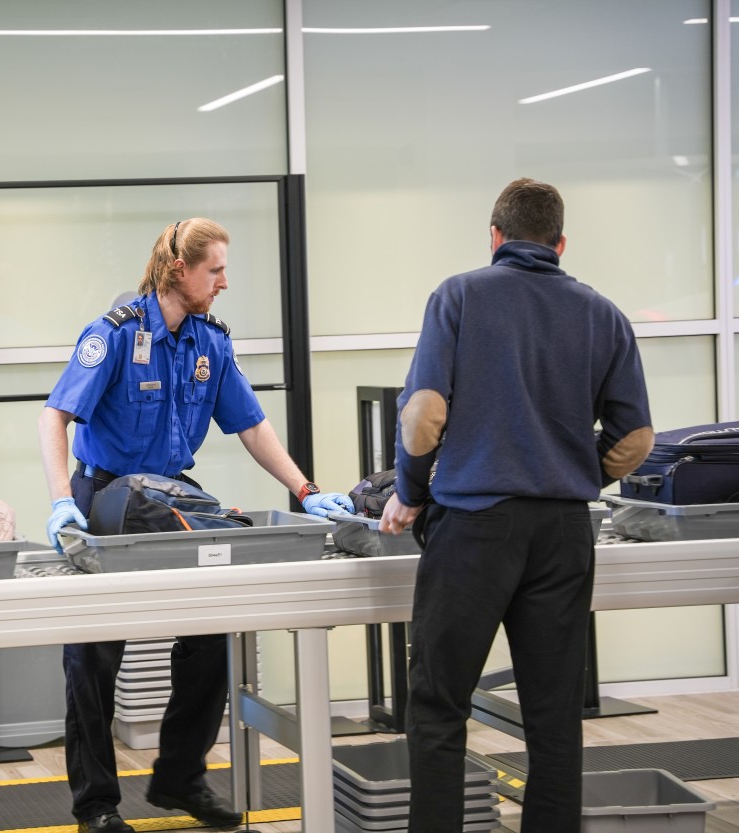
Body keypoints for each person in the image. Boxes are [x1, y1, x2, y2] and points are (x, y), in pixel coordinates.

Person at [38, 217, 352, 833]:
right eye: (216, 270)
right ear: (179, 270)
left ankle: (179, 777)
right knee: (94, 659)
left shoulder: (210, 341)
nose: (224, 282)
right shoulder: (116, 333)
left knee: (213, 630)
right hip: (105, 498)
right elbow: (55, 416)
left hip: (172, 496)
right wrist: (60, 501)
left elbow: (252, 425)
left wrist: (306, 489)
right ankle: (97, 807)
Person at [379, 178, 654, 833]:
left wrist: (411, 492)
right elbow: (636, 439)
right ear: (560, 243)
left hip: (474, 527)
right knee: (554, 719)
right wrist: (564, 467)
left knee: (440, 705)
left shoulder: (460, 296)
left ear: (495, 236)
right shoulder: (602, 313)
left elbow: (422, 415)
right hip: (563, 532)